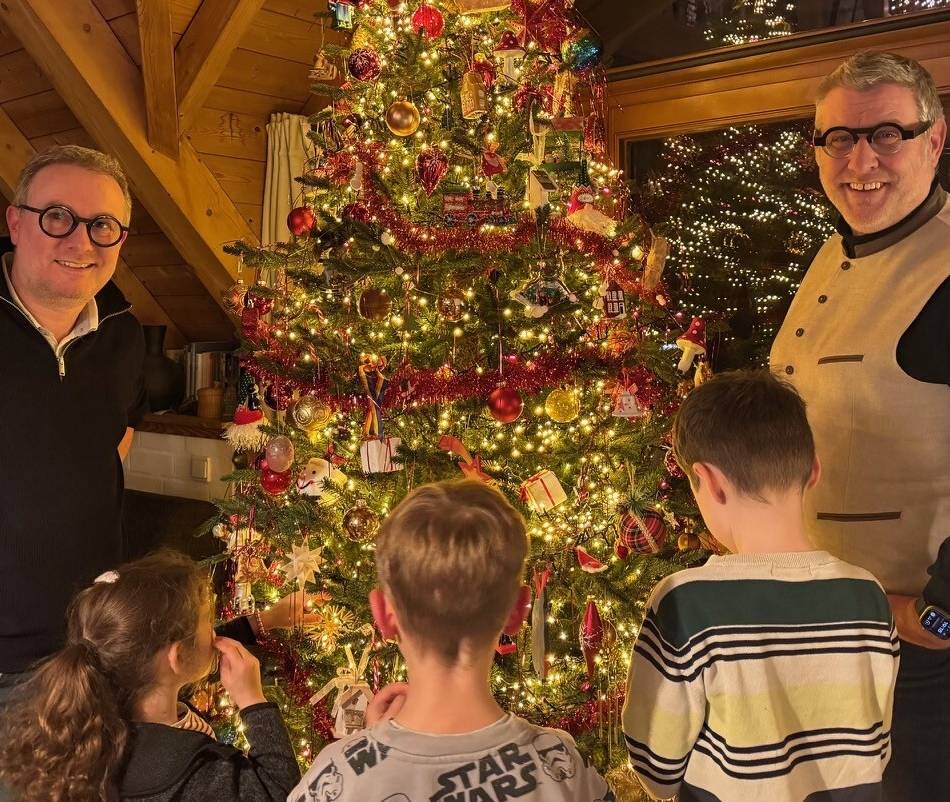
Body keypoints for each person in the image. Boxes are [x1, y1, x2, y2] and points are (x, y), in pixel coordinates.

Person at [769, 51, 950, 801]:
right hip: (824, 638)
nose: (861, 160)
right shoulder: (826, 258)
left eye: (887, 134)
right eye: (838, 138)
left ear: (935, 141)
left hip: (919, 665)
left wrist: (936, 620)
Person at [622, 370, 899, 801]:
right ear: (814, 471)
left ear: (709, 483)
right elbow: (876, 750)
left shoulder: (687, 604)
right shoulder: (868, 595)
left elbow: (657, 770)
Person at [290, 479, 615, 802]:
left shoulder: (335, 779)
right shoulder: (564, 768)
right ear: (518, 611)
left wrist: (368, 753)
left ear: (384, 617)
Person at [0, 146, 147, 701]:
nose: (80, 242)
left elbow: (117, 443)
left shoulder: (123, 336)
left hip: (92, 653)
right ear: (16, 222)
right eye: (57, 216)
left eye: (102, 225)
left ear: (121, 239)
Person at [0, 550, 301, 801]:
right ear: (177, 656)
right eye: (208, 623)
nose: (213, 635)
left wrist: (263, 621)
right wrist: (253, 702)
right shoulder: (191, 776)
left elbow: (187, 655)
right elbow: (280, 791)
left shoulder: (103, 703)